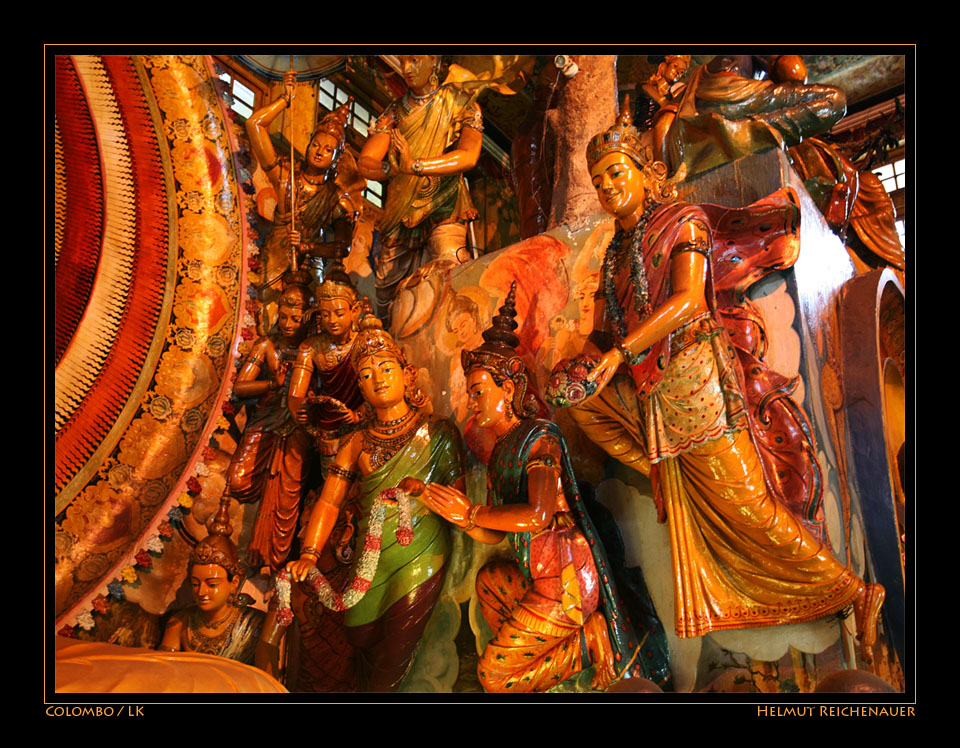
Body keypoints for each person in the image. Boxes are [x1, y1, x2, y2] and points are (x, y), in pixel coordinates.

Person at [551, 104, 885, 661]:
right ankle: (743, 587)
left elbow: (685, 300)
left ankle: (854, 591)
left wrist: (619, 356)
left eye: (617, 171)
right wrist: (582, 367)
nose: (609, 186)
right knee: (584, 409)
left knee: (748, 502)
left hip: (697, 377)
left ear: (642, 171)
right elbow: (607, 332)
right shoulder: (614, 256)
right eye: (599, 179)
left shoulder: (682, 222)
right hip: (653, 390)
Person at [418, 284, 670, 692]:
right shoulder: (502, 451)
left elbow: (538, 513)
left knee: (493, 678)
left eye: (479, 392)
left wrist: (471, 513)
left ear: (510, 389)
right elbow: (498, 531)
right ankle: (552, 661)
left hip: (568, 579)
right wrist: (458, 515)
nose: (472, 403)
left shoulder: (539, 438)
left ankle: (591, 642)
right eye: (470, 394)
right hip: (537, 575)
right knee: (490, 582)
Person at [285, 315, 465, 691]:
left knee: (392, 659)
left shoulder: (437, 431)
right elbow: (331, 502)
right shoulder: (355, 442)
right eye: (366, 375)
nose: (378, 379)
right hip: (370, 560)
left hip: (421, 556)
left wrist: (425, 495)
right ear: (360, 389)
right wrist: (310, 554)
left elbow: (458, 501)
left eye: (386, 368)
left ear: (407, 373)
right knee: (360, 635)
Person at [358, 55, 483, 318]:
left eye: (414, 59)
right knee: (386, 297)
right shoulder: (394, 112)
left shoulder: (460, 102)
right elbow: (366, 163)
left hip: (444, 204)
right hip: (399, 212)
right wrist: (392, 169)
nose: (407, 69)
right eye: (403, 61)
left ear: (435, 60)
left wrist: (416, 166)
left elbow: (469, 156)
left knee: (451, 270)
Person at [246, 71, 366, 332]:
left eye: (328, 150)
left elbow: (342, 247)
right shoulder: (286, 177)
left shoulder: (337, 199)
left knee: (307, 322)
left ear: (336, 159)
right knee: (260, 320)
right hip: (277, 255)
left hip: (310, 267)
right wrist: (284, 101)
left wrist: (308, 247)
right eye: (315, 144)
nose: (319, 151)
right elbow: (254, 124)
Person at [227, 271, 312, 573]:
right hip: (264, 422)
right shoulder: (267, 346)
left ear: (308, 317)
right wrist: (271, 386)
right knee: (238, 479)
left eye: (296, 319)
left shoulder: (311, 348)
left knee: (287, 490)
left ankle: (274, 558)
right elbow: (239, 387)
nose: (288, 325)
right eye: (285, 317)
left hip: (296, 426)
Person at [158, 501, 266, 664]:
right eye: (195, 584)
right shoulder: (180, 623)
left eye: (212, 584)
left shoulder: (253, 625)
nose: (201, 592)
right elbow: (164, 672)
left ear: (234, 582)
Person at [287, 271, 367, 478]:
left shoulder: (368, 343)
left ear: (355, 311)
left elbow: (381, 387)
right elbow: (296, 393)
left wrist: (358, 414)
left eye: (339, 314)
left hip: (362, 423)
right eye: (325, 314)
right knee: (332, 479)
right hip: (328, 426)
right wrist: (300, 411)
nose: (332, 320)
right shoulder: (311, 347)